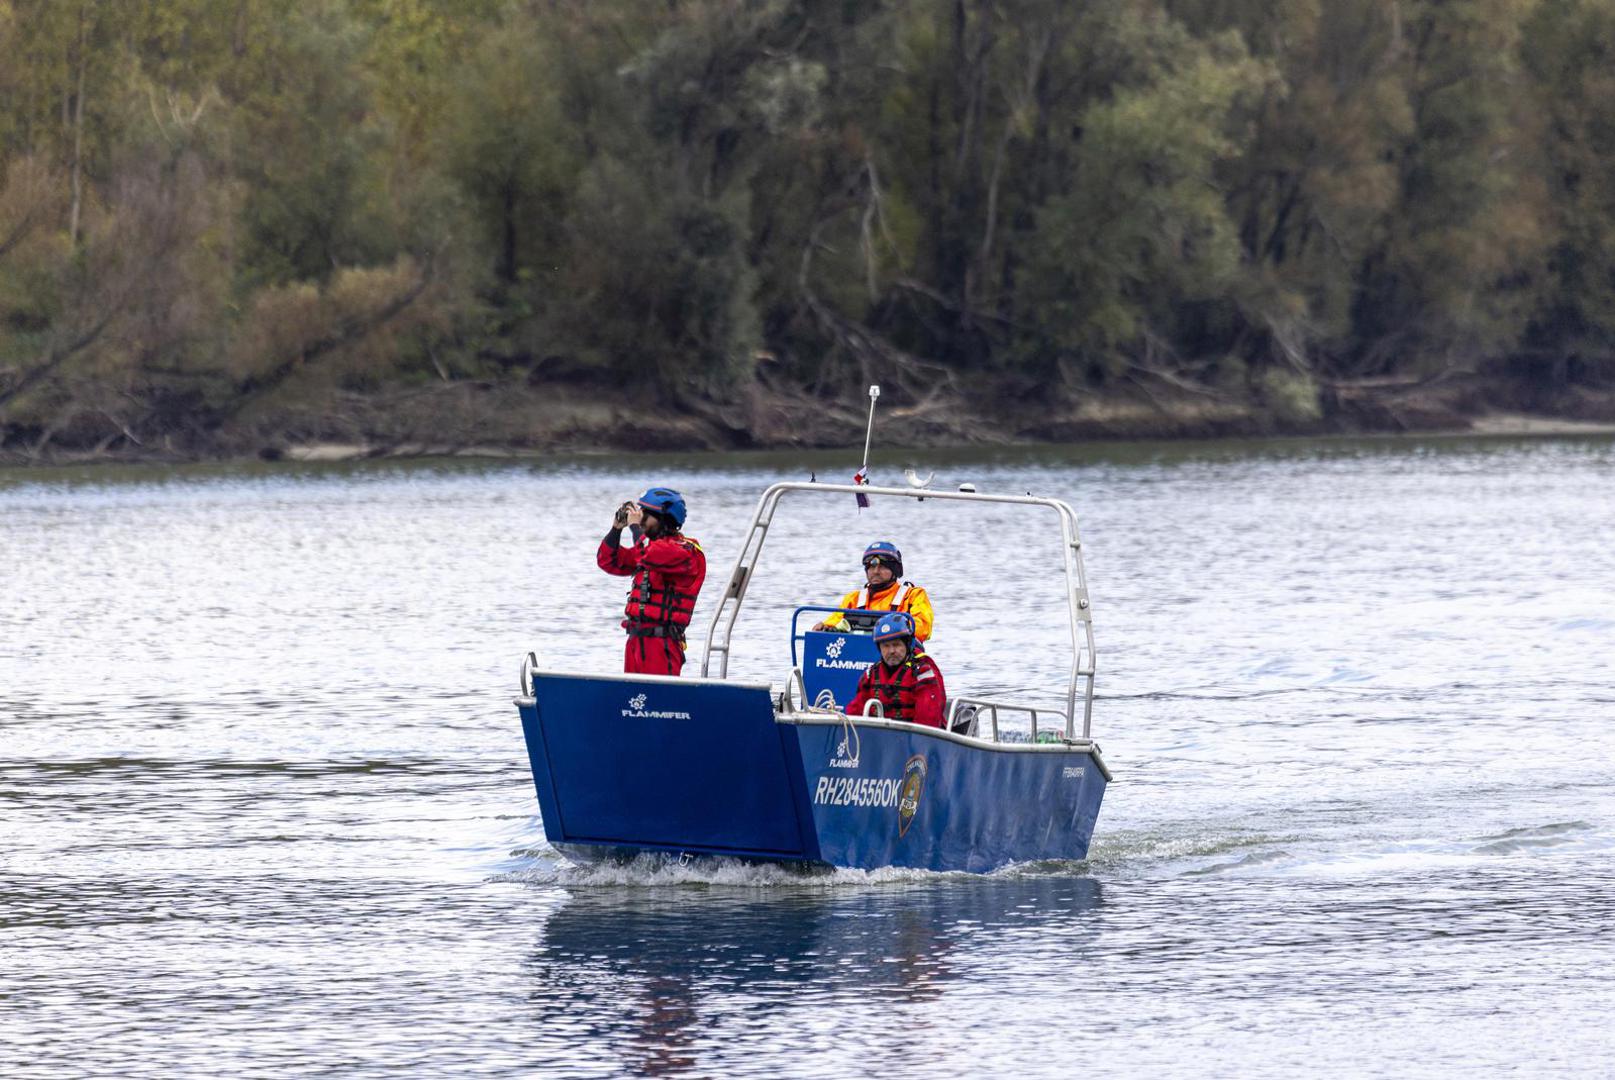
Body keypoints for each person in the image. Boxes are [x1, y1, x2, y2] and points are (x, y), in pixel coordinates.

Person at [597, 486, 706, 676]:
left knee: (659, 698)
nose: (641, 520)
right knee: (635, 699)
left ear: (665, 519)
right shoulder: (645, 551)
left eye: (646, 515)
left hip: (662, 644)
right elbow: (608, 561)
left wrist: (634, 527)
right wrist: (616, 529)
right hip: (636, 641)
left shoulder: (684, 551)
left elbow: (651, 553)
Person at [811, 540, 934, 642]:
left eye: (883, 567)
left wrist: (892, 629)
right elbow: (834, 621)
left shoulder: (913, 595)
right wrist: (824, 627)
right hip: (855, 656)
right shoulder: (853, 599)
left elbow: (923, 629)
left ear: (895, 570)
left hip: (897, 659)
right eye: (871, 567)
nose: (876, 571)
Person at [844, 612, 946, 728]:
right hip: (880, 739)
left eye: (896, 645)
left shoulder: (922, 673)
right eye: (886, 646)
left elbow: (928, 721)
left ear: (907, 644)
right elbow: (855, 712)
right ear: (880, 648)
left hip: (915, 739)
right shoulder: (871, 674)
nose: (891, 651)